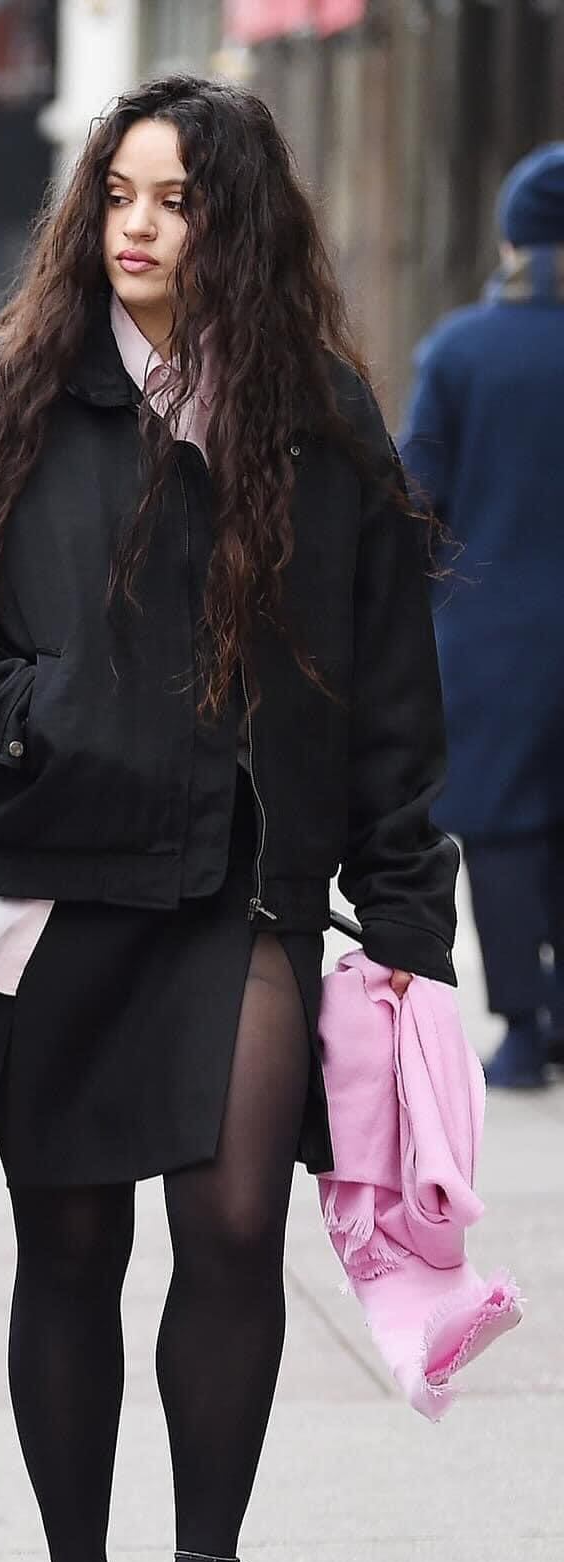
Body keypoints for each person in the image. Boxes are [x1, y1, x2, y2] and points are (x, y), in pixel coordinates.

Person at [0, 75, 457, 1562]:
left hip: (240, 882)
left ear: (234, 222)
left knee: (238, 1228)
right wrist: (17, 709)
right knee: (75, 1249)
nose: (136, 225)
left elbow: (394, 682)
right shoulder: (8, 394)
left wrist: (402, 909)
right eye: (118, 192)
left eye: (173, 198)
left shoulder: (316, 420)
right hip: (58, 881)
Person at [401, 143, 564, 1089]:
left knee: (500, 829)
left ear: (512, 235)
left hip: (493, 644)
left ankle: (526, 1029)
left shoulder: (462, 352)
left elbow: (415, 503)